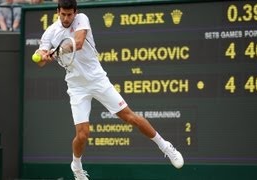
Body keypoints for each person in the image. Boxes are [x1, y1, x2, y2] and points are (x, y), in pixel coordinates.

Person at [34, 0, 184, 179]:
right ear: (58, 11)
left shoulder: (82, 19)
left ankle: (165, 146)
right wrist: (43, 55)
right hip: (76, 86)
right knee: (82, 134)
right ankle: (76, 166)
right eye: (63, 14)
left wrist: (55, 52)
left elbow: (79, 42)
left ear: (75, 12)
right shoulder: (50, 32)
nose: (66, 18)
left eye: (69, 14)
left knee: (131, 118)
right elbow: (41, 60)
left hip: (98, 80)